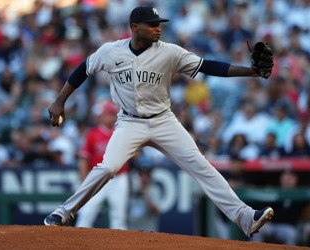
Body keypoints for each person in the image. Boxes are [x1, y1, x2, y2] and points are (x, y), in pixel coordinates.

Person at [44, 6, 274, 238]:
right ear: (135, 28)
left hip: (164, 121)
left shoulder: (169, 52)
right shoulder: (110, 51)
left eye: (159, 23)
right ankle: (64, 211)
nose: (158, 28)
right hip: (129, 122)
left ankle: (245, 217)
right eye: (152, 24)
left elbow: (208, 66)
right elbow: (83, 69)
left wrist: (251, 72)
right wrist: (59, 101)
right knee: (108, 167)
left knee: (201, 166)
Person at [74, 100, 130, 229]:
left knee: (119, 216)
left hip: (119, 177)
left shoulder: (121, 132)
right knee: (87, 213)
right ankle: (77, 243)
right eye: (108, 114)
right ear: (101, 116)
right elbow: (84, 159)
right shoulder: (93, 134)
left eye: (113, 114)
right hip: (98, 178)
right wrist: (84, 182)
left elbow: (134, 154)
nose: (111, 116)